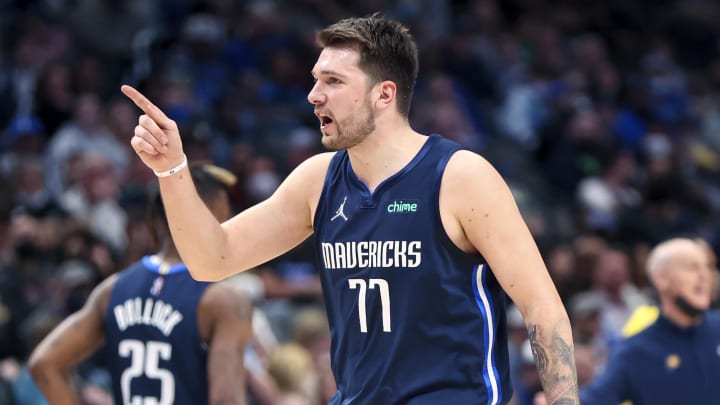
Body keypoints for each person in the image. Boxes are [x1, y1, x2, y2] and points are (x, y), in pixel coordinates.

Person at [121, 14, 578, 404]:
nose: (314, 95)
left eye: (333, 82)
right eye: (316, 80)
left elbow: (542, 308)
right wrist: (173, 170)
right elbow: (209, 259)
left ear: (384, 94)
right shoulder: (318, 180)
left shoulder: (461, 177)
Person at [28, 163, 253, 405]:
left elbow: (43, 364)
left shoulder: (112, 289)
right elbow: (226, 400)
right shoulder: (222, 300)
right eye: (227, 214)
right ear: (212, 215)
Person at [539, 237, 720, 405]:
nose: (704, 275)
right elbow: (595, 399)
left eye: (707, 267)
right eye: (692, 268)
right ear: (661, 279)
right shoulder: (636, 351)